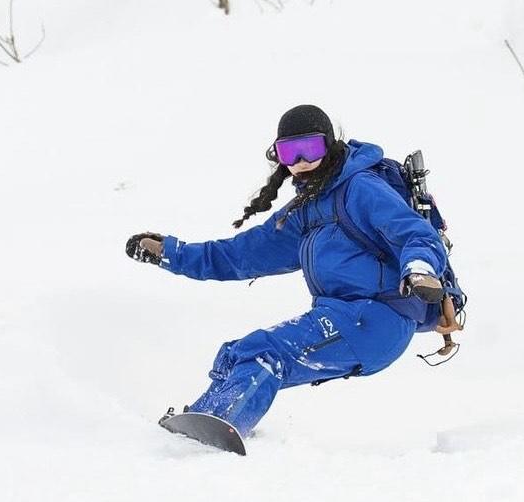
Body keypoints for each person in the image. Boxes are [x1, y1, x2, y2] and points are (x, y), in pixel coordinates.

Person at [125, 103, 450, 439]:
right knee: (235, 354)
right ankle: (201, 426)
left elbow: (414, 233)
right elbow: (238, 255)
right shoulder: (304, 212)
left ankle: (222, 427)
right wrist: (172, 253)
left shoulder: (360, 188)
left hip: (378, 316)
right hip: (340, 315)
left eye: (310, 148)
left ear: (329, 145)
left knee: (264, 353)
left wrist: (420, 270)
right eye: (289, 153)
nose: (301, 162)